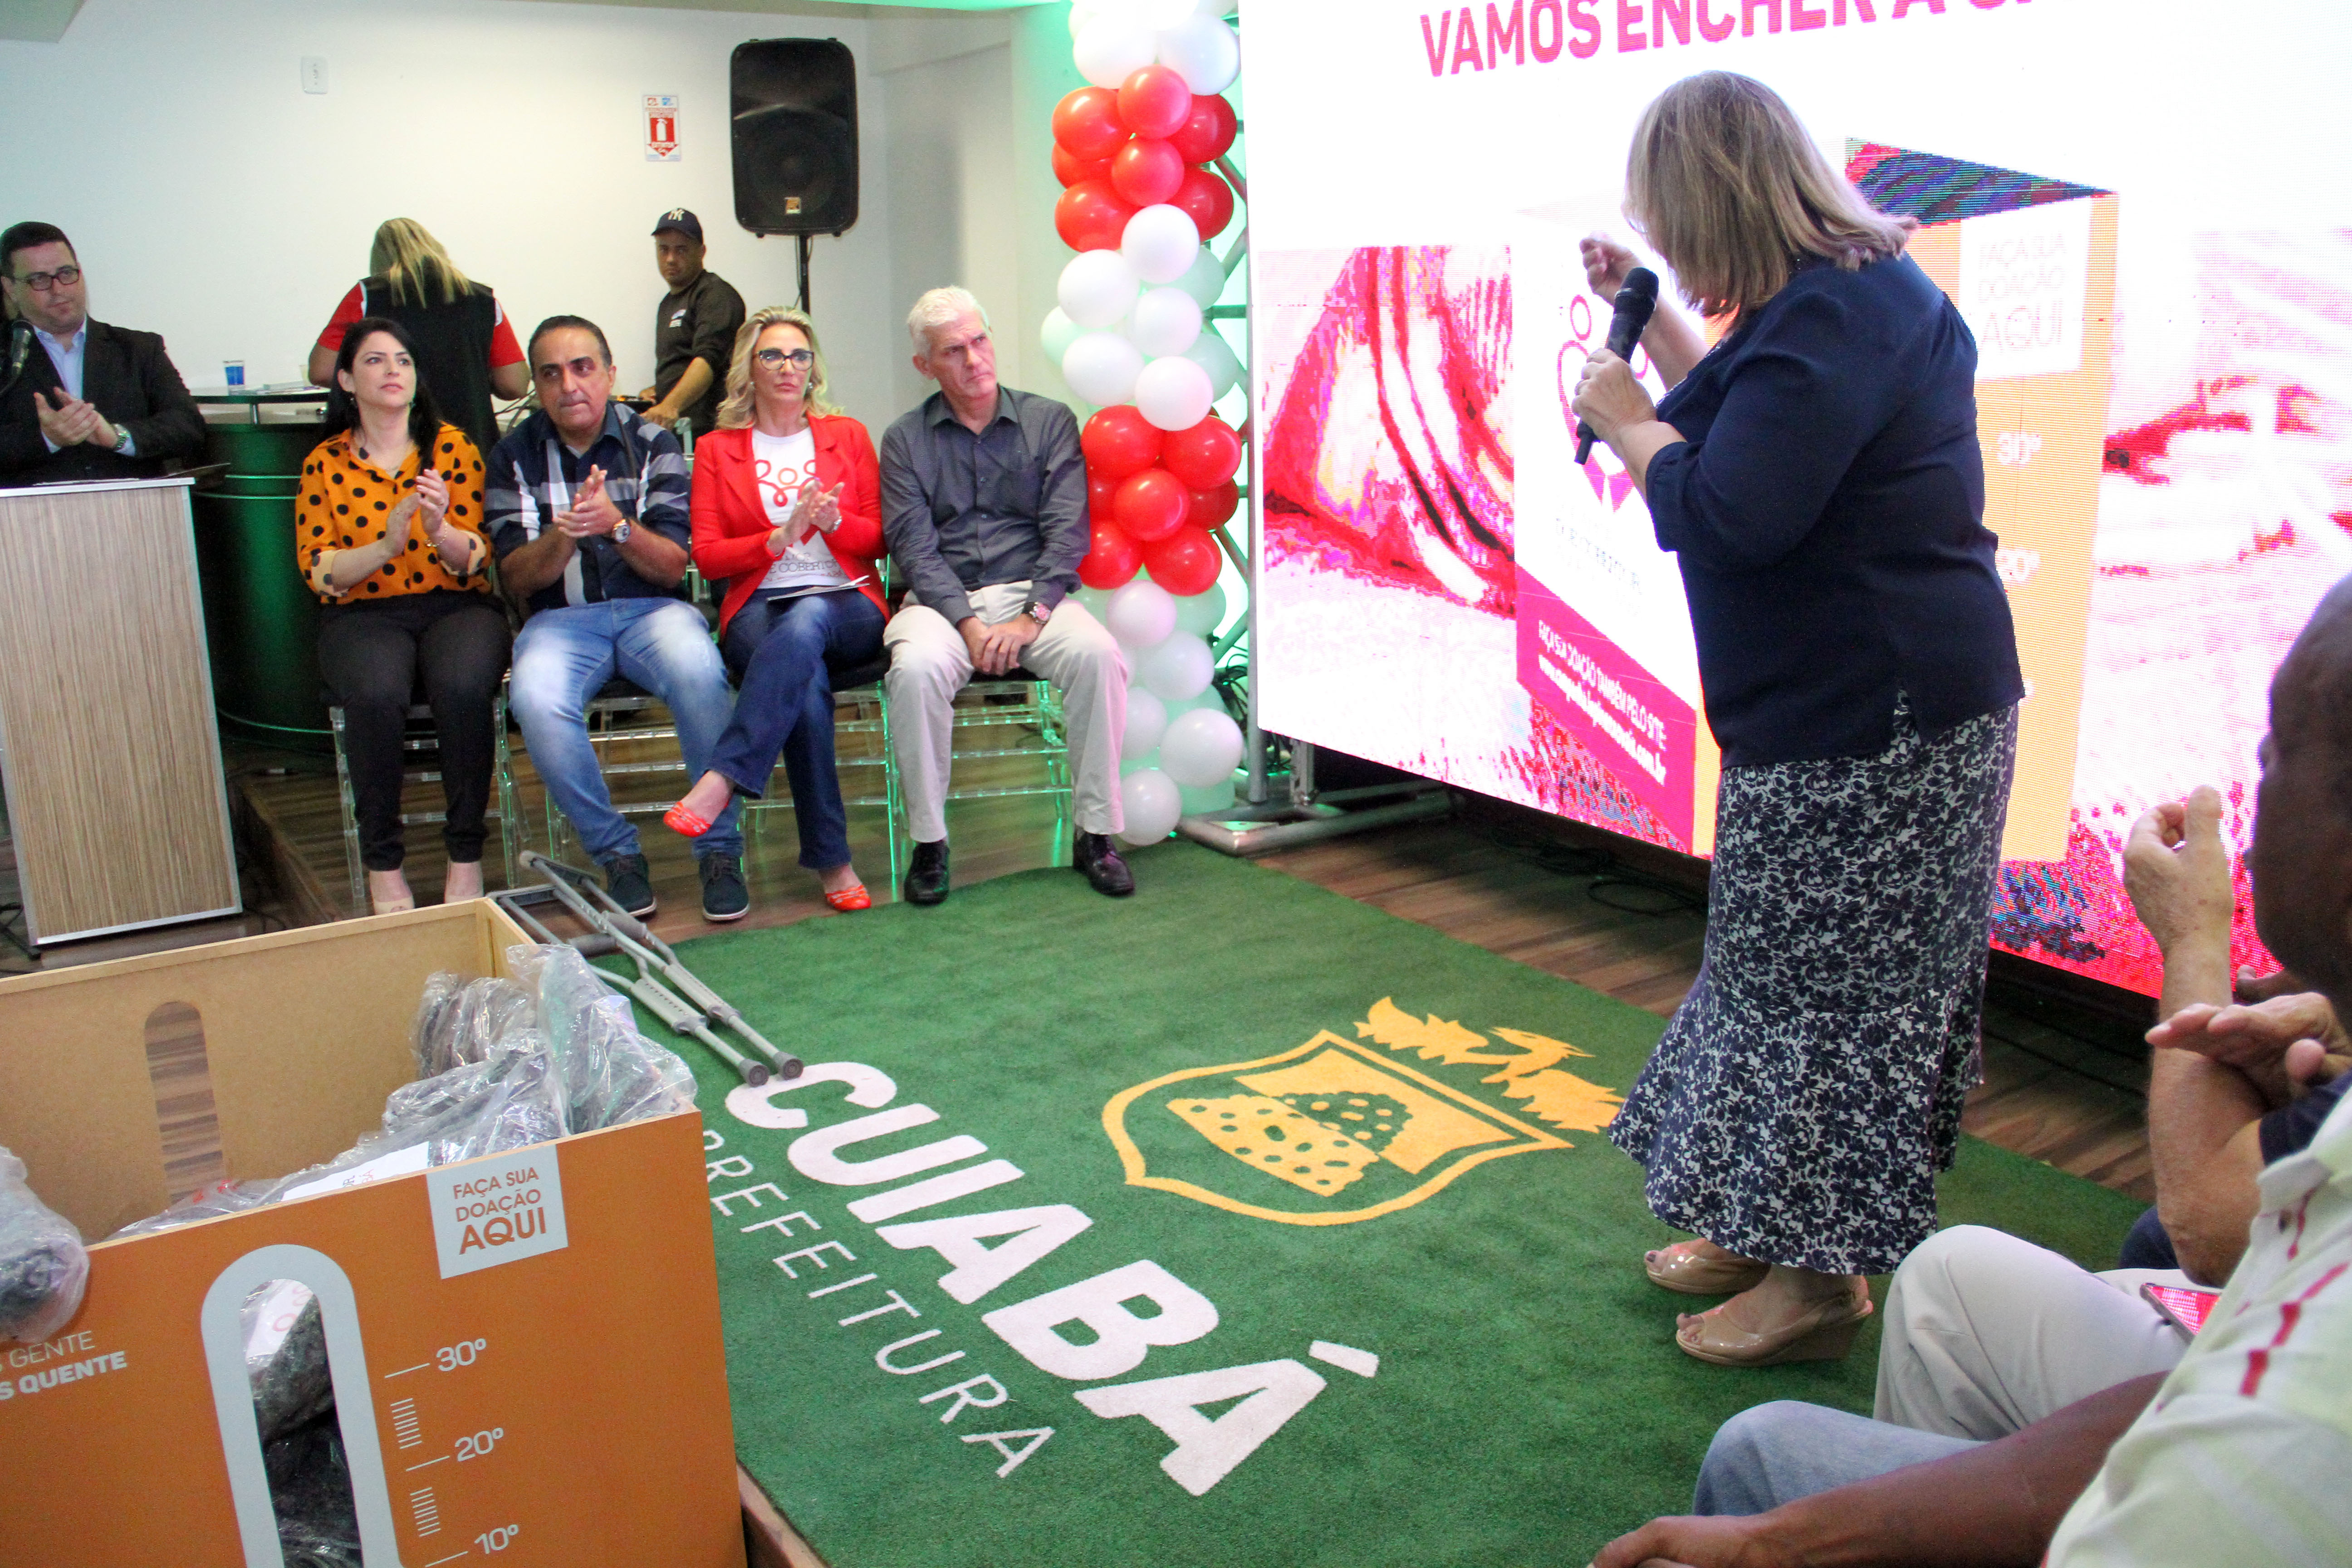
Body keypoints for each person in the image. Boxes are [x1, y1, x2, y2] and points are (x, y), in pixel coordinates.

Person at [1593, 573, 2352, 1568]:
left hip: (1875, 715)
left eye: (2278, 754)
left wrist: (2194, 941)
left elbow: (2211, 1233)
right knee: (1947, 1271)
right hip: (1810, 701)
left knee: (1759, 1452)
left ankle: (1814, 1282)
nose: (2250, 786)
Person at [1566, 72, 2028, 1366]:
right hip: (1838, 711)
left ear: (1720, 200)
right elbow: (1748, 430)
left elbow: (1727, 510)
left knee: (1833, 1003)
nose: (1678, 253)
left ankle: (1821, 1281)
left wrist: (1621, 421)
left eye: (1675, 227)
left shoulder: (1841, 312)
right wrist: (1656, 331)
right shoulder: (1837, 299)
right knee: (1777, 981)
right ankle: (1770, 1228)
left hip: (1880, 722)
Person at [877, 286, 1132, 905]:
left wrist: (1030, 618)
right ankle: (930, 843)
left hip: (1032, 597)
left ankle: (1096, 835)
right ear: (924, 366)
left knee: (1099, 656)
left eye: (979, 340)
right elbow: (915, 549)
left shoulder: (1048, 421)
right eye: (953, 351)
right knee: (914, 670)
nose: (974, 359)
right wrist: (967, 624)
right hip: (940, 602)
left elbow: (1067, 532)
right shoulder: (904, 440)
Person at [488, 314, 746, 922]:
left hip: (653, 610)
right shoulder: (513, 455)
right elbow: (515, 578)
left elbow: (674, 566)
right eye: (551, 374)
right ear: (536, 386)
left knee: (700, 672)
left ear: (610, 374)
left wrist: (616, 526)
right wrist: (565, 534)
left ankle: (719, 848)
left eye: (583, 368)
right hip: (560, 620)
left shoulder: (654, 443)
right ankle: (617, 854)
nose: (569, 385)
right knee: (535, 699)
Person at [667, 307, 886, 910]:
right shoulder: (716, 450)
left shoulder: (849, 436)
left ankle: (724, 776)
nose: (789, 367)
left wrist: (834, 523)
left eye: (799, 356)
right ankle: (833, 860)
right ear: (749, 369)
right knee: (803, 680)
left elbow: (879, 539)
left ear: (813, 368)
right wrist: (775, 539)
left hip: (847, 599)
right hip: (758, 604)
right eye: (773, 355)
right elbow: (708, 557)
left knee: (809, 616)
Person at [298, 318, 508, 913]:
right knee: (374, 693)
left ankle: (465, 854)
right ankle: (384, 862)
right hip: (364, 612)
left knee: (463, 686)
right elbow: (319, 570)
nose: (393, 371)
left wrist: (439, 531)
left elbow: (478, 557)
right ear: (345, 380)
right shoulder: (324, 463)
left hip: (455, 603)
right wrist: (387, 547)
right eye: (375, 360)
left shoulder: (454, 448)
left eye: (403, 361)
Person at [0, 221, 204, 485]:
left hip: (133, 506)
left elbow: (188, 426)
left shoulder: (140, 349)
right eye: (39, 279)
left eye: (66, 273)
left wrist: (118, 437)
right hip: (31, 509)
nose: (59, 290)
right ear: (10, 288)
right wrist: (46, 438)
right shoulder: (8, 356)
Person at [306, 219, 529, 458]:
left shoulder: (367, 296)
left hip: (388, 453)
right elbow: (514, 384)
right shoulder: (483, 301)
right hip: (469, 450)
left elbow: (322, 370)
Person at [637, 210, 743, 438]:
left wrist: (670, 405)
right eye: (663, 249)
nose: (670, 259)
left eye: (681, 250)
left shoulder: (716, 295)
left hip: (709, 433)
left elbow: (709, 359)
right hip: (678, 433)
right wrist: (660, 392)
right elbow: (681, 362)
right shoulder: (668, 303)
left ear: (702, 252)